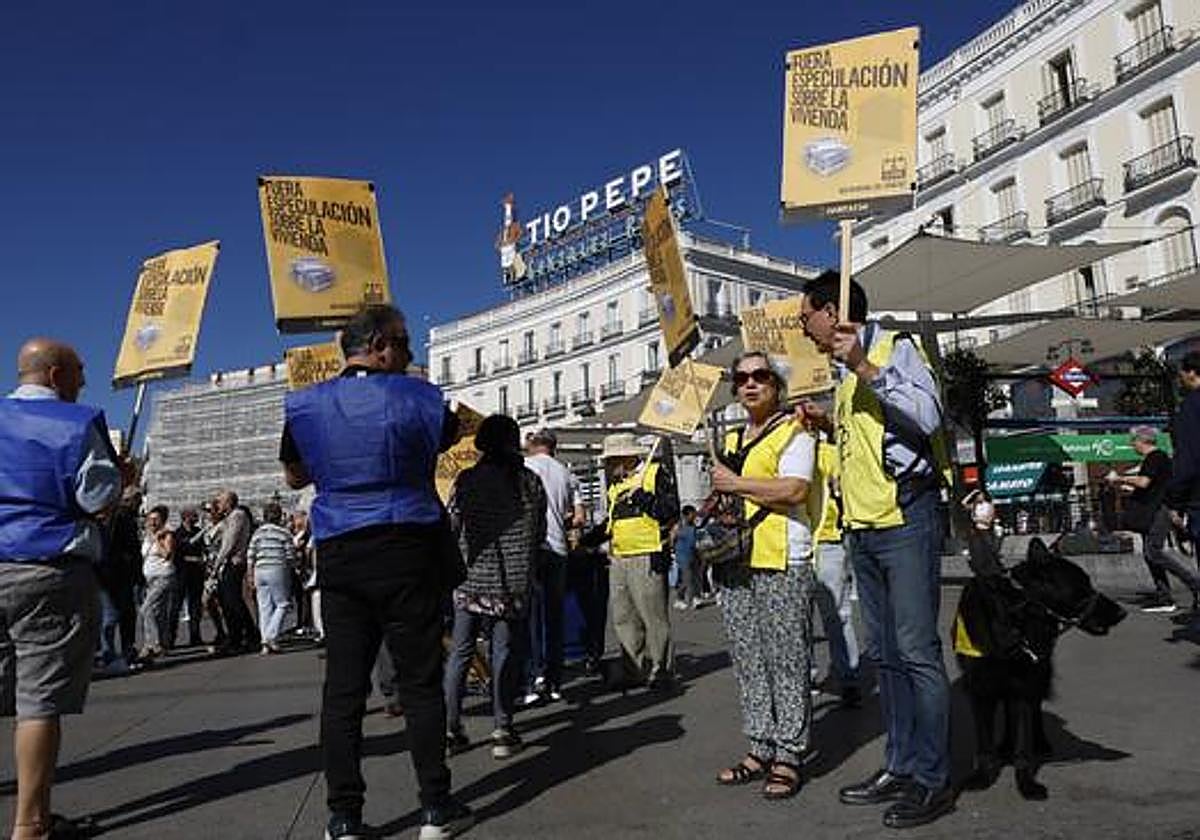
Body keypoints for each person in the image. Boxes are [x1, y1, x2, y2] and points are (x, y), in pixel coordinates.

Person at [279, 304, 472, 840]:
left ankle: (343, 817)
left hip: (339, 547)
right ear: (383, 343)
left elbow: (296, 476)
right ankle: (435, 806)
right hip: (408, 543)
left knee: (343, 690)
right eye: (406, 344)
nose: (410, 354)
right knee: (419, 682)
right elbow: (447, 438)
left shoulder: (304, 405)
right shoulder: (421, 395)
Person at [800, 271, 954, 829]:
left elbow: (928, 415)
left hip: (905, 518)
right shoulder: (842, 377)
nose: (803, 328)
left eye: (804, 318)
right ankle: (901, 763)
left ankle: (932, 778)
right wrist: (826, 425)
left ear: (830, 310)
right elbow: (870, 442)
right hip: (862, 526)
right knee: (886, 656)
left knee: (916, 651)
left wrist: (865, 365)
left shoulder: (896, 349)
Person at [0, 337, 125, 840]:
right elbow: (96, 497)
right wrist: (121, 480)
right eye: (78, 370)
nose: (83, 381)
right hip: (47, 566)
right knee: (39, 699)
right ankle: (30, 824)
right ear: (55, 375)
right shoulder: (76, 423)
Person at [709, 352, 816, 800]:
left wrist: (735, 485)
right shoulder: (732, 438)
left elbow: (795, 489)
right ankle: (760, 746)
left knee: (787, 660)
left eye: (760, 376)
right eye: (742, 378)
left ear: (777, 384)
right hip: (736, 561)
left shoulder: (796, 431)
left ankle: (789, 753)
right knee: (749, 660)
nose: (750, 384)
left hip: (780, 557)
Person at [445, 415, 546, 759]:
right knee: (503, 652)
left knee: (460, 653)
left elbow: (452, 526)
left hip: (469, 578)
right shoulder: (528, 482)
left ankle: (451, 727)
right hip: (512, 582)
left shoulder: (467, 480)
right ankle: (502, 727)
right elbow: (539, 531)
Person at [594, 432, 679, 689]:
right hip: (619, 555)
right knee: (623, 616)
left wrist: (642, 496)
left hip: (647, 552)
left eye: (612, 460)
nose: (608, 466)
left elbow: (669, 511)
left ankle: (660, 668)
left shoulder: (654, 474)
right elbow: (610, 523)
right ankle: (633, 667)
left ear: (627, 457)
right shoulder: (616, 485)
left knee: (652, 616)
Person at [1109, 425, 1200, 614]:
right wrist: (1130, 488)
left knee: (1153, 552)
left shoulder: (1154, 458)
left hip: (1159, 510)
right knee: (1149, 554)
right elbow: (1153, 486)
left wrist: (1120, 478)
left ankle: (1194, 584)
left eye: (1133, 441)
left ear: (1142, 441)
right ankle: (1164, 596)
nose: (1132, 444)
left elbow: (1144, 482)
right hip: (1153, 509)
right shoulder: (1159, 459)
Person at [522, 428, 584, 705]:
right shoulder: (566, 473)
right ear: (553, 448)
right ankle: (555, 680)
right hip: (559, 549)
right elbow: (579, 518)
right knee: (554, 618)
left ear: (530, 445)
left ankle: (533, 676)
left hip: (531, 549)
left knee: (529, 617)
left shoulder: (523, 467)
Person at [812, 432, 861, 707]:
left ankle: (849, 677)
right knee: (796, 618)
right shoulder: (780, 449)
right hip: (791, 544)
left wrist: (838, 486)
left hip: (827, 541)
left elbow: (844, 488)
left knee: (837, 615)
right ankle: (804, 678)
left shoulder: (828, 452)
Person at [248, 501, 297, 654]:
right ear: (279, 516)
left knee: (265, 607)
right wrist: (293, 567)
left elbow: (250, 554)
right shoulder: (283, 533)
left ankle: (265, 643)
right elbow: (290, 556)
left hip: (259, 569)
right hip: (277, 568)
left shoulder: (257, 533)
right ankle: (271, 636)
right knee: (283, 604)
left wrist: (250, 573)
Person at [212, 490, 258, 654]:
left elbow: (229, 543)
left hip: (234, 562)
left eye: (220, 501)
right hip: (229, 563)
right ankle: (236, 637)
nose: (218, 504)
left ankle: (247, 636)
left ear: (229, 502)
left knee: (233, 602)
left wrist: (216, 564)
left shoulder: (237, 516)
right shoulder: (229, 517)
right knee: (227, 602)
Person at [139, 505, 178, 661]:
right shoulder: (146, 536)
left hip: (164, 576)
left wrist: (157, 540)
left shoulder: (167, 535)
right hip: (150, 578)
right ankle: (163, 644)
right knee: (159, 613)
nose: (153, 522)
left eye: (156, 519)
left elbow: (167, 555)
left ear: (163, 520)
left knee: (146, 609)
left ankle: (152, 644)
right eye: (150, 519)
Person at [172, 507, 207, 647]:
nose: (196, 518)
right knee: (176, 607)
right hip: (182, 573)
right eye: (193, 516)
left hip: (196, 574)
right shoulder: (177, 533)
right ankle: (170, 638)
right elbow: (178, 553)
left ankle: (195, 636)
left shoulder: (198, 531)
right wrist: (193, 559)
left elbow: (203, 548)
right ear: (186, 517)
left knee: (195, 607)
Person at [672, 506, 700, 610]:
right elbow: (672, 539)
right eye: (692, 515)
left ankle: (694, 597)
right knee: (687, 578)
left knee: (695, 577)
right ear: (686, 515)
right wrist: (673, 551)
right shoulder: (678, 526)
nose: (694, 517)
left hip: (693, 554)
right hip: (682, 556)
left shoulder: (694, 526)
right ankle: (684, 599)